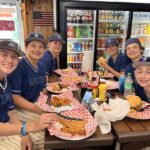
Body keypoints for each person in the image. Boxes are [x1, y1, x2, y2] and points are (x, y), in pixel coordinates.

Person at [0, 39, 58, 150]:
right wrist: (28, 127)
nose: (10, 60)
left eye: (14, 56)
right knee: (42, 139)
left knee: (46, 134)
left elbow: (10, 113)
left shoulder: (5, 81)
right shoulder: (18, 70)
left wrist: (24, 133)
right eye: (4, 54)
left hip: (9, 124)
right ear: (26, 48)